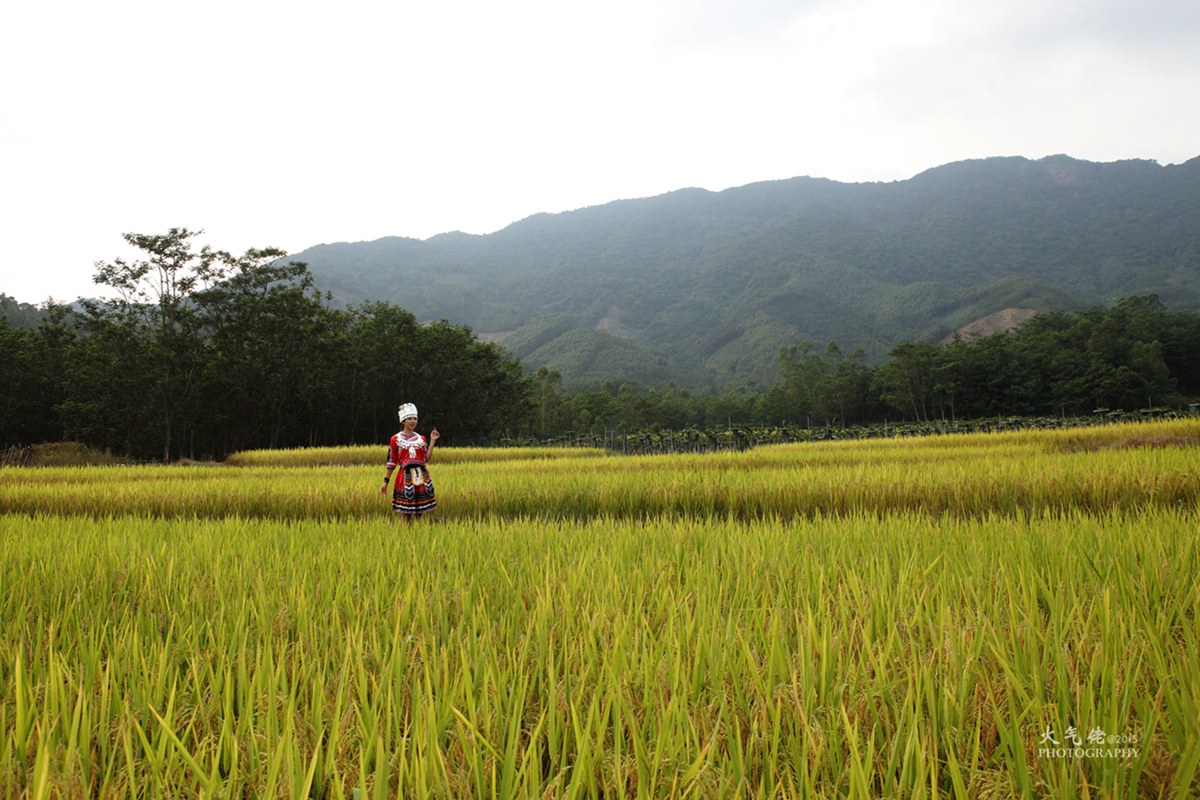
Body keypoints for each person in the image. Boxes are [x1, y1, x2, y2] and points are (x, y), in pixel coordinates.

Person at [381, 403, 440, 521]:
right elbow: (391, 462)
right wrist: (386, 481)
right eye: (409, 418)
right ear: (403, 421)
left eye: (415, 418)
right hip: (405, 477)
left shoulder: (421, 439)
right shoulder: (395, 439)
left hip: (422, 477)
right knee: (406, 513)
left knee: (420, 512)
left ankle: (417, 537)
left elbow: (425, 459)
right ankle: (404, 537)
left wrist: (432, 441)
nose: (413, 421)